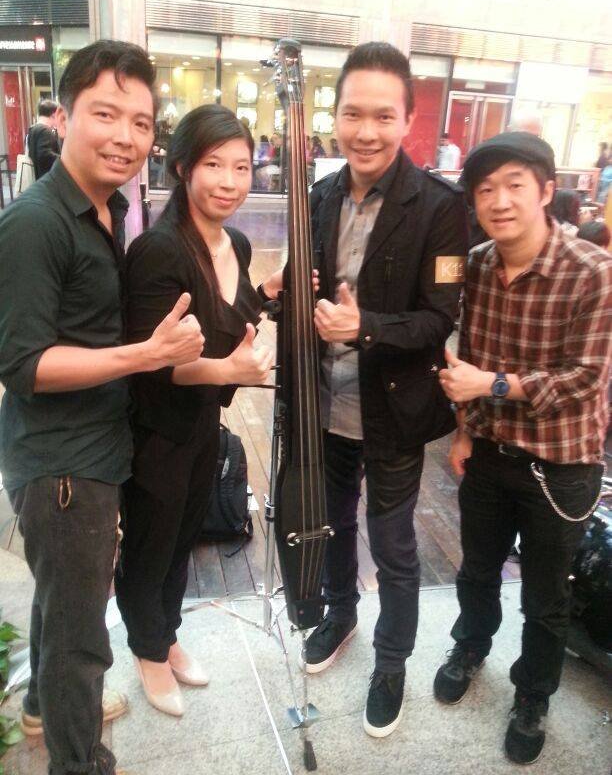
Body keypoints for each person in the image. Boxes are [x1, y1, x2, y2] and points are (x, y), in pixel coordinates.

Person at [0, 40, 204, 775]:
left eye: (141, 122)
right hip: (63, 466)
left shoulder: (107, 209)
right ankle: (79, 762)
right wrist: (144, 355)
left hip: (90, 449)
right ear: (63, 117)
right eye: (105, 114)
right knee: (81, 640)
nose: (125, 136)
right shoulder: (36, 222)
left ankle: (40, 708)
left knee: (62, 606)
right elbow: (23, 365)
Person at [261, 41, 468, 738]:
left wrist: (364, 325)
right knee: (332, 522)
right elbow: (306, 292)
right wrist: (287, 298)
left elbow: (438, 318)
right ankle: (342, 614)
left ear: (407, 120)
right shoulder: (319, 196)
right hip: (323, 406)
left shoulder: (439, 206)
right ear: (336, 116)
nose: (367, 131)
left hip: (395, 411)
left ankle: (392, 663)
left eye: (384, 116)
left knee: (395, 544)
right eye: (353, 113)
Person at [434, 131, 611, 765]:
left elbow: (585, 376)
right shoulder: (478, 264)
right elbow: (468, 354)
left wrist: (493, 385)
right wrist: (464, 428)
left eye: (515, 185)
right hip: (489, 452)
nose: (500, 200)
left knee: (546, 594)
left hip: (562, 465)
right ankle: (471, 645)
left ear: (545, 191)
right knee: (476, 569)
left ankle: (533, 694)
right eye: (485, 189)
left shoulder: (593, 271)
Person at [115, 104, 273, 717]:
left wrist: (269, 296)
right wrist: (231, 371)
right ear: (182, 168)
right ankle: (147, 650)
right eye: (213, 165)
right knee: (151, 543)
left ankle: (167, 634)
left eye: (241, 166)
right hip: (156, 429)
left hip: (203, 425)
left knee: (184, 538)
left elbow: (231, 315)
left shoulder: (236, 242)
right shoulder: (159, 250)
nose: (229, 181)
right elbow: (155, 364)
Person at [27, 99, 60, 179]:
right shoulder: (45, 131)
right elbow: (44, 155)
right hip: (47, 176)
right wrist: (63, 159)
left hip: (38, 176)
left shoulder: (33, 129)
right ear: (53, 115)